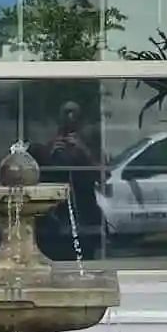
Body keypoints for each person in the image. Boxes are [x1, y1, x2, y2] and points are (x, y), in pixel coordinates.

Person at [38, 100, 104, 260]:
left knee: (86, 252)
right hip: (59, 210)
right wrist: (50, 153)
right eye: (66, 114)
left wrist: (83, 151)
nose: (70, 118)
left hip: (84, 206)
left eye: (74, 114)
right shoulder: (52, 145)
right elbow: (42, 175)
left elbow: (101, 175)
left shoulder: (89, 145)